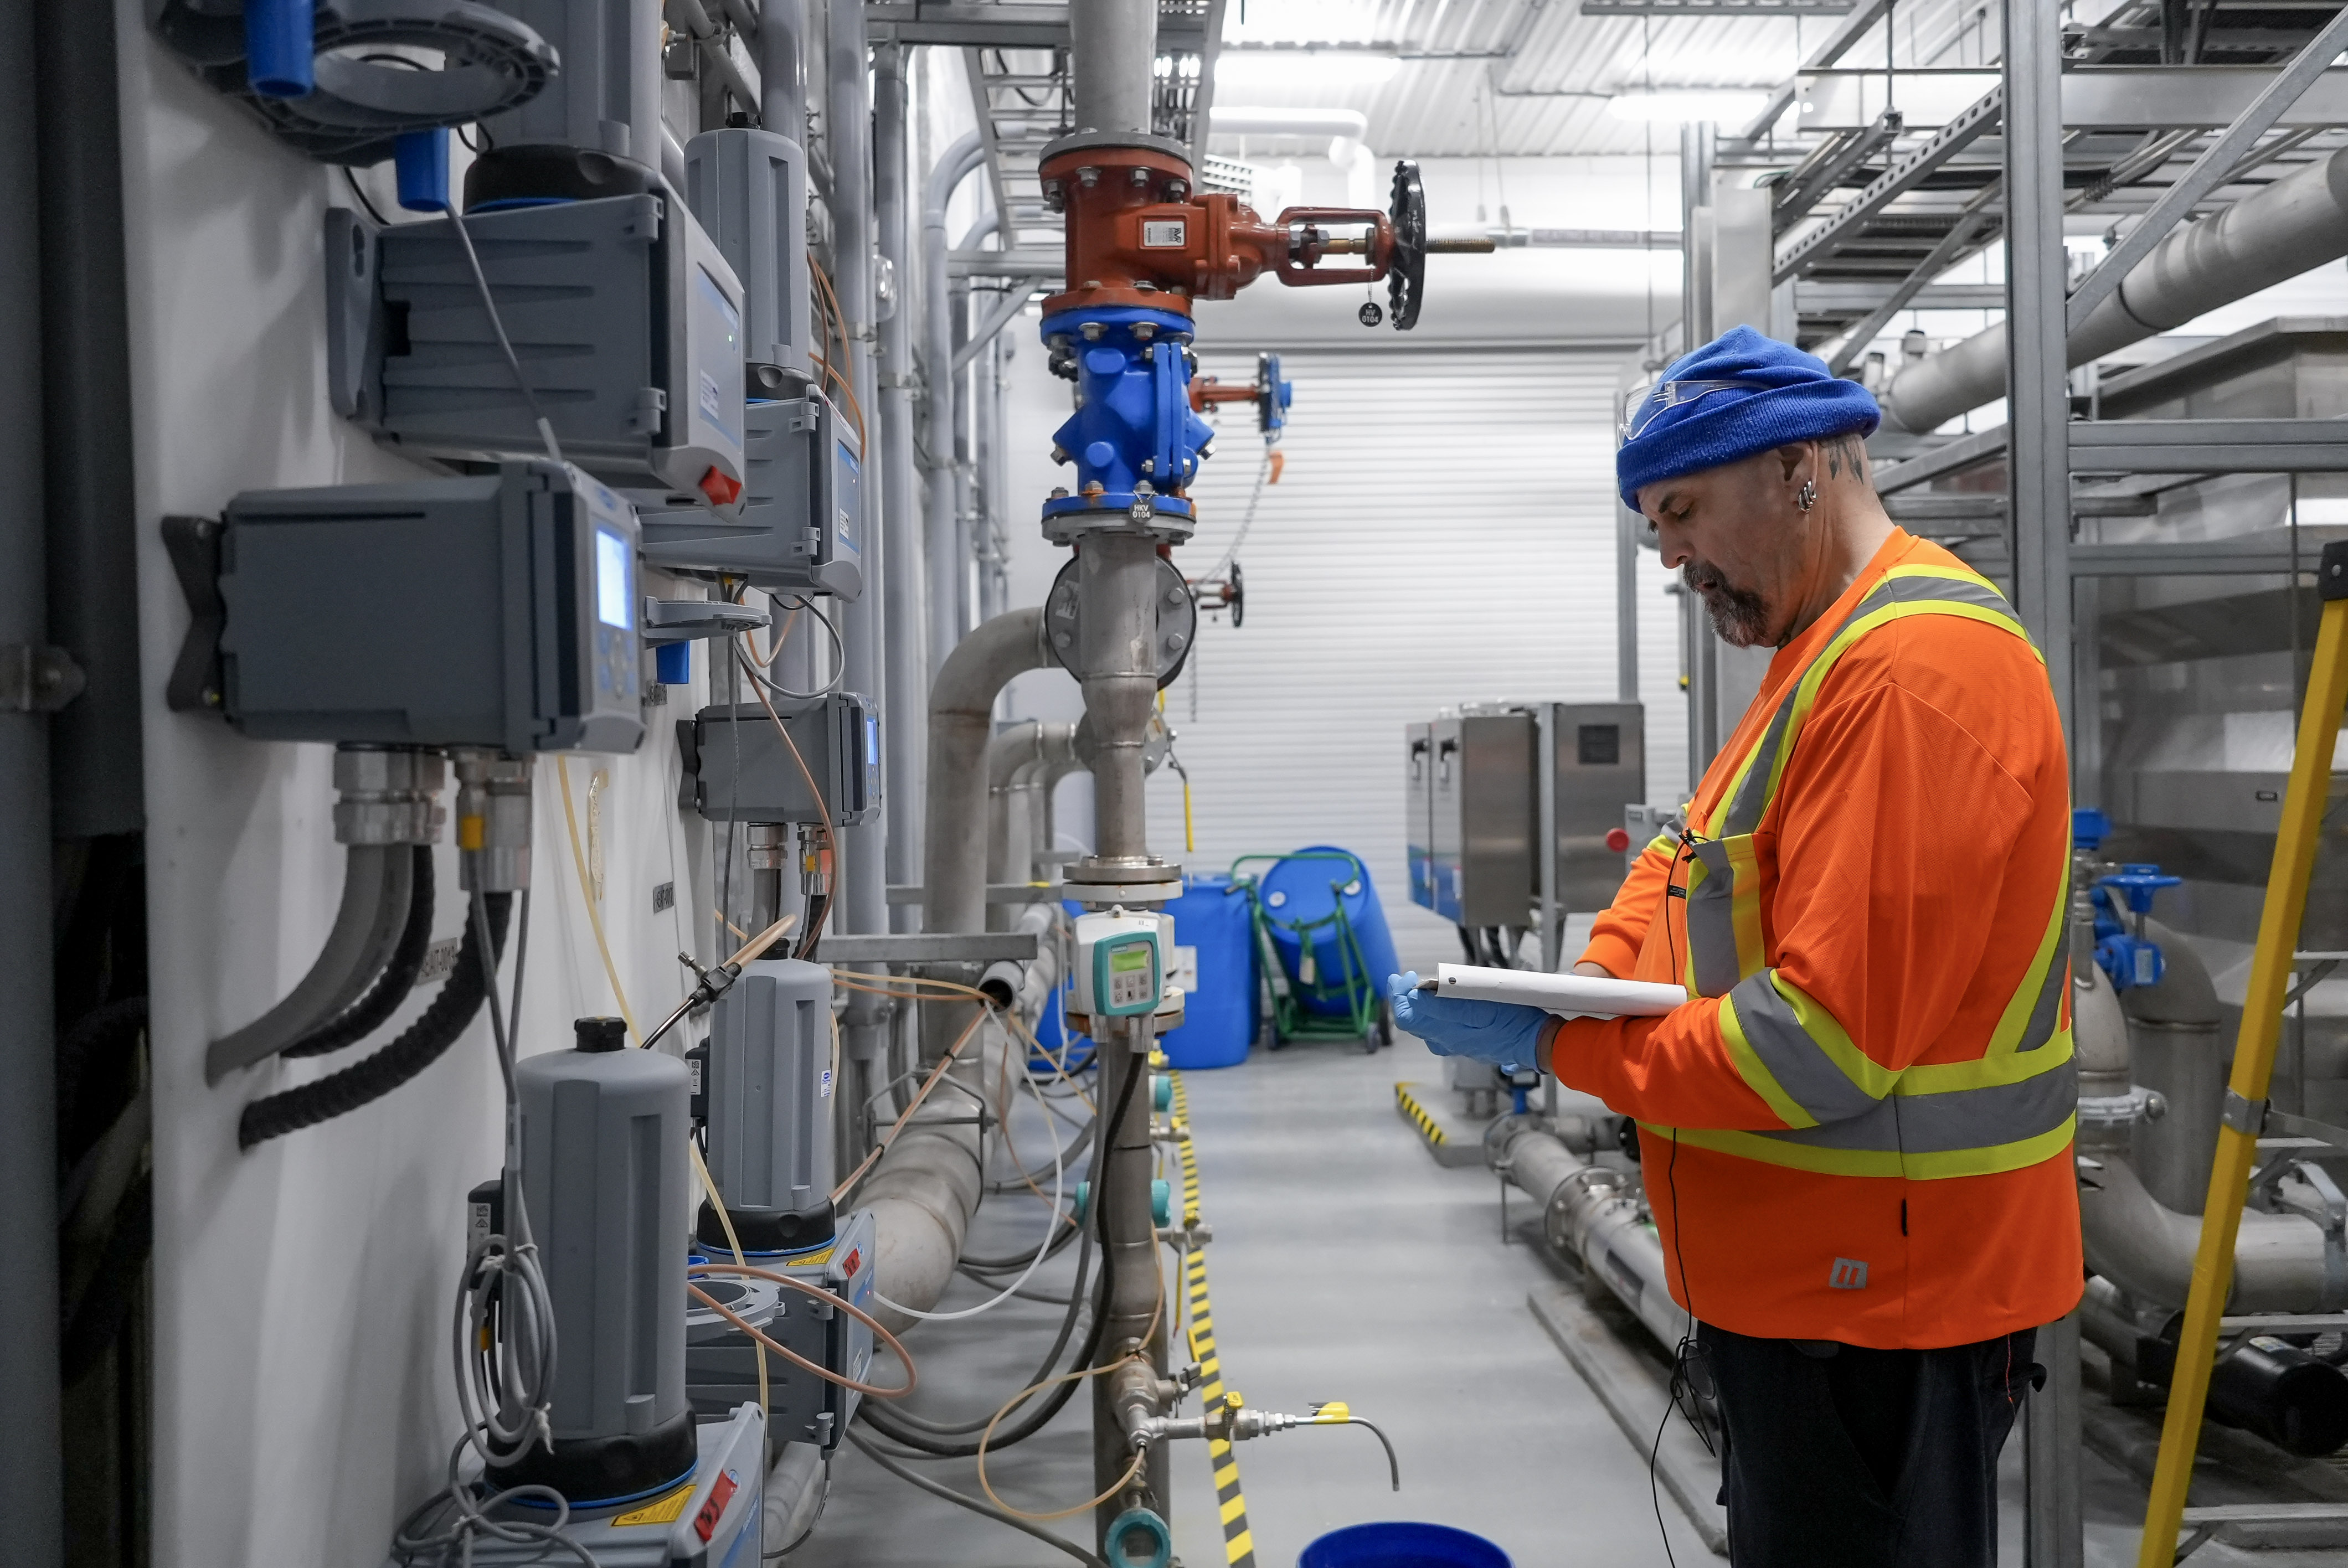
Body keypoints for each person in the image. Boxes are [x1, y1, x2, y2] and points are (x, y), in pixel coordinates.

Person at [1392, 326, 2081, 1568]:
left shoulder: (1914, 672)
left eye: (1684, 512)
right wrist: (1588, 978)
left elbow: (1819, 1045)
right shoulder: (1817, 651)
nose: (1672, 559)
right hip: (1811, 1288)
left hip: (1883, 1305)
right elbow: (1686, 862)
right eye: (1655, 527)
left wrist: (1567, 1044)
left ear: (1800, 469)